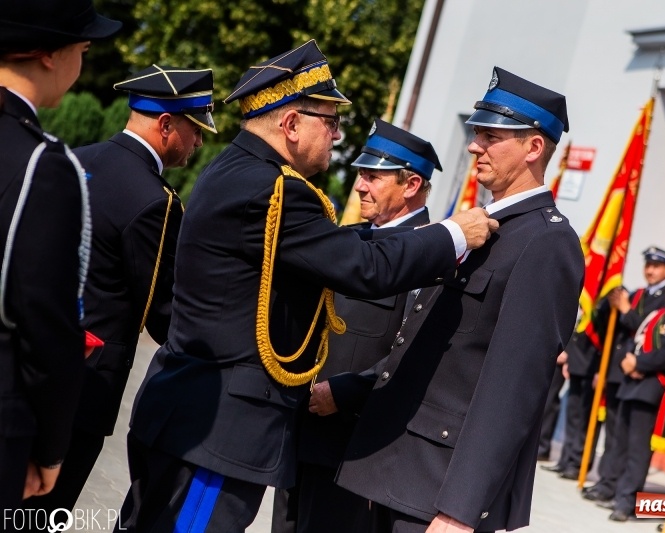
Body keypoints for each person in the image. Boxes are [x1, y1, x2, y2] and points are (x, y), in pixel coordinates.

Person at [117, 40, 496, 533]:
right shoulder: (275, 189)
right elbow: (366, 268)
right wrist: (453, 233)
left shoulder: (232, 170)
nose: (337, 136)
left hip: (190, 413)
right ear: (292, 124)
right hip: (222, 430)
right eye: (330, 121)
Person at [318, 66, 585, 532]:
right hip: (394, 464)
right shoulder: (476, 225)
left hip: (438, 490)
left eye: (490, 136)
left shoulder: (546, 243)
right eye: (476, 133)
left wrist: (463, 508)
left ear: (534, 147)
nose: (473, 146)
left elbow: (513, 390)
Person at [24, 65, 217, 516]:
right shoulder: (155, 201)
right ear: (166, 124)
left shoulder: (73, 158)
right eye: (194, 130)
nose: (199, 143)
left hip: (27, 359)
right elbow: (164, 312)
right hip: (83, 388)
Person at [272, 118, 442, 533]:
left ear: (412, 184)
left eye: (373, 177)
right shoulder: (348, 237)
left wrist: (347, 392)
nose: (360, 186)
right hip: (301, 432)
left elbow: (415, 351)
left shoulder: (429, 253)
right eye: (360, 175)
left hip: (355, 446)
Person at [0, 0, 120, 511]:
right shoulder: (41, 164)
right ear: (50, 54)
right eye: (83, 49)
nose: (82, 63)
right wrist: (51, 448)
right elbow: (46, 324)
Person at [597, 272, 665, 522]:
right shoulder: (657, 315)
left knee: (637, 450)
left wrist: (638, 363)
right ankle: (612, 490)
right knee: (618, 441)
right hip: (630, 384)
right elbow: (635, 340)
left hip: (652, 388)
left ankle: (627, 501)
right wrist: (627, 361)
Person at [581, 246, 665, 502]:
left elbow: (646, 332)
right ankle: (606, 483)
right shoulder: (637, 294)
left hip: (640, 376)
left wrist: (625, 310)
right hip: (617, 371)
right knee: (614, 433)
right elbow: (616, 335)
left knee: (632, 439)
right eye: (648, 265)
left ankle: (622, 489)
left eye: (657, 266)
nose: (651, 271)